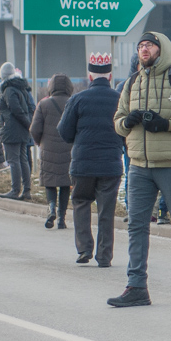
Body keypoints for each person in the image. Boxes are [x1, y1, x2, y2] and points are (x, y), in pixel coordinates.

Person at [109, 31, 171, 306]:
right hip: (139, 167)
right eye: (141, 46)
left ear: (161, 49)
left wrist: (166, 124)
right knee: (136, 227)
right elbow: (117, 121)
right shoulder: (131, 82)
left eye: (149, 45)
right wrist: (127, 122)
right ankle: (136, 287)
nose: (144, 49)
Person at [58, 53, 124, 267]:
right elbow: (127, 130)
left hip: (83, 163)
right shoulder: (120, 99)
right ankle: (105, 256)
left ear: (90, 76)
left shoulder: (77, 99)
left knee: (81, 203)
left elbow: (65, 132)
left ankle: (84, 248)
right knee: (106, 210)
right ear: (110, 75)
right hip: (110, 164)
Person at [30, 74, 74, 230]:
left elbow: (34, 129)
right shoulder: (73, 102)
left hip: (48, 148)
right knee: (65, 183)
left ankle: (51, 207)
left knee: (50, 180)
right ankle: (62, 218)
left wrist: (39, 142)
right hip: (69, 148)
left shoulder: (44, 104)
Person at [0, 61, 35, 200]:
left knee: (13, 160)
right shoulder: (22, 88)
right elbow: (30, 108)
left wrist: (26, 123)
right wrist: (29, 124)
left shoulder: (8, 90)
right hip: (23, 130)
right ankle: (27, 190)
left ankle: (15, 190)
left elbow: (15, 109)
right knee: (22, 159)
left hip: (11, 130)